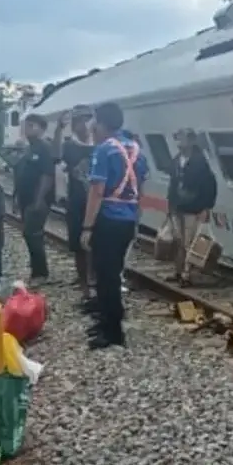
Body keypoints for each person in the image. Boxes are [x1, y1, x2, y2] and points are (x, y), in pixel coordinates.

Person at [80, 102, 149, 350]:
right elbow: (140, 189)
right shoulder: (136, 150)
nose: (91, 126)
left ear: (101, 123)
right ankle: (107, 322)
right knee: (114, 273)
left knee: (105, 276)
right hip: (128, 219)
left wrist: (87, 227)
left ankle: (112, 331)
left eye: (94, 122)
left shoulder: (104, 150)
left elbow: (97, 191)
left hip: (107, 219)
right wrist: (136, 220)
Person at [54, 105, 96, 302]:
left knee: (98, 244)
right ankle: (84, 283)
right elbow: (56, 157)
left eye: (86, 120)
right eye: (78, 121)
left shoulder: (101, 144)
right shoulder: (70, 147)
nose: (83, 125)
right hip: (77, 202)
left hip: (97, 202)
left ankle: (95, 280)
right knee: (79, 245)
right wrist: (58, 130)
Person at [166, 128, 218, 286]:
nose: (178, 143)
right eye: (177, 139)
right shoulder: (176, 161)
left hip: (194, 207)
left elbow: (210, 186)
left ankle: (187, 274)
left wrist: (206, 207)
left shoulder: (200, 161)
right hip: (178, 206)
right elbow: (172, 184)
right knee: (178, 241)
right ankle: (179, 270)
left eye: (181, 139)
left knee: (190, 242)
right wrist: (170, 206)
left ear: (190, 141)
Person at [13, 114, 54, 282]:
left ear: (42, 128)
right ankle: (36, 269)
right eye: (26, 125)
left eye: (32, 125)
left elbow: (47, 176)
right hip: (26, 199)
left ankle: (40, 273)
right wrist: (16, 198)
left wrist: (39, 200)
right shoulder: (29, 148)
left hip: (37, 200)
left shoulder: (44, 148)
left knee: (33, 234)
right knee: (29, 234)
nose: (27, 128)